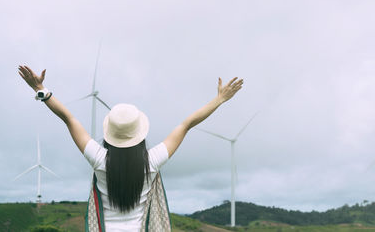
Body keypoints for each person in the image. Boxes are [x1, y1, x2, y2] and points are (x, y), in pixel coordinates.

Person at [18, 65, 243, 231]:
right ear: (140, 134)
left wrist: (41, 89)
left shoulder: (99, 159)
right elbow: (186, 125)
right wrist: (220, 99)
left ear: (109, 135)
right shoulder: (152, 162)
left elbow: (69, 119)